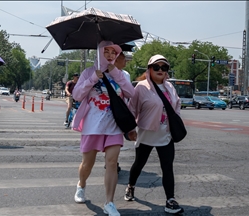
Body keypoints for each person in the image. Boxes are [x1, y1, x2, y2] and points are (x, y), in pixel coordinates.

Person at [71, 41, 135, 216]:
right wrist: (93, 79)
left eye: (113, 52)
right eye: (105, 51)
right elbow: (76, 95)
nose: (109, 55)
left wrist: (116, 73)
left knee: (112, 163)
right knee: (87, 164)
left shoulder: (121, 74)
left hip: (114, 126)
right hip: (92, 126)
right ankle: (81, 185)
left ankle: (109, 203)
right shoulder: (88, 73)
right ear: (99, 53)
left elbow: (131, 93)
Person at [125, 54, 184, 214]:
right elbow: (132, 108)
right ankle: (131, 186)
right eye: (156, 67)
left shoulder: (170, 87)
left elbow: (177, 105)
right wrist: (130, 130)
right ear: (149, 69)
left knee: (167, 167)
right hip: (146, 133)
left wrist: (175, 121)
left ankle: (170, 199)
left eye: (163, 67)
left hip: (166, 134)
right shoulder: (141, 87)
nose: (160, 70)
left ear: (167, 71)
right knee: (139, 164)